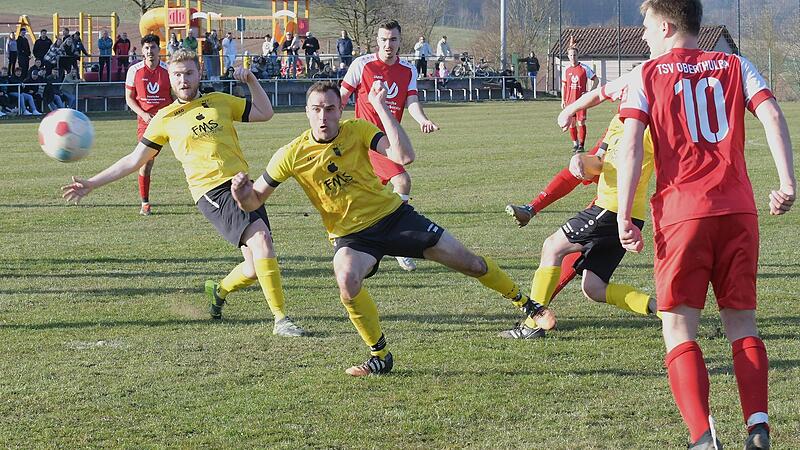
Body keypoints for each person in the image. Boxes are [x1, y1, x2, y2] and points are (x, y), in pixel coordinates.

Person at [230, 80, 552, 376]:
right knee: (346, 279)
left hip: (395, 218)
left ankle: (528, 305)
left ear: (340, 110)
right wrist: (242, 194)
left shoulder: (357, 129)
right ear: (307, 112)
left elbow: (404, 155)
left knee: (472, 264)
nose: (323, 116)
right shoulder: (290, 155)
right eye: (316, 109)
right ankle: (380, 356)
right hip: (352, 237)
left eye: (329, 108)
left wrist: (381, 106)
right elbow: (254, 200)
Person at [615, 1, 795, 448]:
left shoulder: (646, 74)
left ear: (666, 26)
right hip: (738, 211)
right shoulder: (735, 64)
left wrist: (623, 213)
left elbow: (631, 145)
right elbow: (772, 114)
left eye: (646, 25)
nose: (643, 35)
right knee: (742, 323)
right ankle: (757, 425)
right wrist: (787, 182)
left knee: (678, 328)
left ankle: (701, 436)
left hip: (682, 213)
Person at [62, 48, 306, 337]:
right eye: (177, 75)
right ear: (170, 78)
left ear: (199, 73)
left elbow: (266, 113)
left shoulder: (219, 101)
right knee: (262, 241)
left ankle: (219, 291)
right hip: (212, 191)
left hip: (243, 185)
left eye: (189, 73)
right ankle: (281, 320)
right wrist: (92, 183)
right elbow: (134, 160)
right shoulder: (164, 118)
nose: (183, 79)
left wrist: (251, 80)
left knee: (254, 267)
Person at [340, 20, 440, 273]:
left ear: (399, 41)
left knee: (370, 199)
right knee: (402, 181)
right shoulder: (361, 64)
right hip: (365, 140)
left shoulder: (408, 70)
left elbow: (412, 102)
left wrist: (423, 120)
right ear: (377, 41)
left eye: (393, 39)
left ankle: (356, 243)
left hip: (390, 140)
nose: (388, 44)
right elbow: (341, 97)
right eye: (384, 39)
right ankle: (397, 244)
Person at [124, 34, 173, 216]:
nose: (150, 51)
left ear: (159, 49)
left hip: (169, 120)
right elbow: (129, 98)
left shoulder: (168, 70)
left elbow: (175, 96)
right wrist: (144, 114)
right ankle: (145, 203)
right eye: (146, 48)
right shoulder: (134, 71)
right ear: (142, 51)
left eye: (153, 47)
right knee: (146, 162)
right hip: (147, 123)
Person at [561, 46, 598, 152]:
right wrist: (562, 100)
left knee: (581, 122)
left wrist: (590, 93)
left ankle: (581, 145)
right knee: (571, 123)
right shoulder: (566, 70)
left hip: (582, 102)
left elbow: (596, 80)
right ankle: (575, 144)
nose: (573, 57)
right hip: (570, 102)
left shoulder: (584, 68)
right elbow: (564, 86)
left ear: (578, 56)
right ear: (568, 56)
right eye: (571, 55)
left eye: (575, 55)